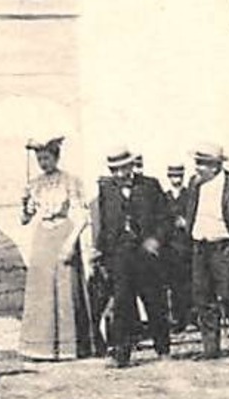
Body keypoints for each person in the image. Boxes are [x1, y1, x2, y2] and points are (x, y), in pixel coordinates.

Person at [92, 145, 171, 367]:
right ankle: (121, 353)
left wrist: (156, 240)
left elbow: (166, 219)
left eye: (124, 168)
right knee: (122, 304)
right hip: (119, 255)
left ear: (131, 165)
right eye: (115, 170)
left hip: (147, 254)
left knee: (154, 301)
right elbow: (105, 225)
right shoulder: (106, 190)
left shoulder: (150, 186)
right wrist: (100, 253)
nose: (120, 174)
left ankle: (163, 348)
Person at [17, 138, 92, 361]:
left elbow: (83, 216)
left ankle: (70, 347)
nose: (43, 163)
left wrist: (71, 243)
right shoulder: (34, 184)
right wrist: (24, 204)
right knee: (41, 292)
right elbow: (24, 219)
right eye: (39, 159)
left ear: (56, 157)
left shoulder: (70, 181)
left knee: (66, 289)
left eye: (47, 158)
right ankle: (41, 348)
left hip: (64, 234)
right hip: (42, 238)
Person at [187, 142, 229, 360]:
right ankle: (211, 348)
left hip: (224, 247)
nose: (197, 168)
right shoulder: (195, 185)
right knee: (203, 297)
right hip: (200, 246)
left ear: (214, 166)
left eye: (201, 164)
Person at [162, 163, 195, 332]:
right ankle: (179, 319)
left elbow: (195, 215)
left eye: (179, 176)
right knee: (174, 285)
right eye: (173, 176)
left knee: (190, 282)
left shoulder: (189, 195)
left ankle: (192, 318)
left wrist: (186, 222)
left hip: (187, 244)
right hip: (170, 247)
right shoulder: (164, 196)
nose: (176, 179)